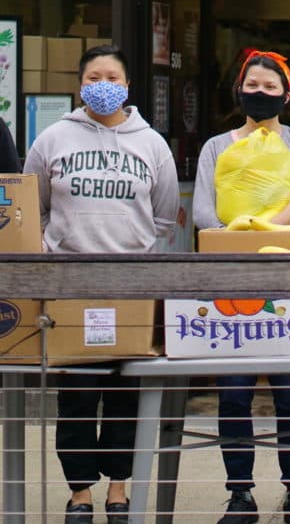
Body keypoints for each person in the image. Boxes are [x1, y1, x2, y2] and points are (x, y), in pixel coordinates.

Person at [22, 44, 179, 524]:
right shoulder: (52, 139)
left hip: (130, 285)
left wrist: (137, 253)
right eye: (93, 77)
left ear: (128, 86)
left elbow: (166, 216)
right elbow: (34, 205)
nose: (102, 85)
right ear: (80, 84)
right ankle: (79, 492)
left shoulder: (151, 143)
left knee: (125, 392)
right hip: (70, 283)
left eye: (111, 76)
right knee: (75, 392)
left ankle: (118, 487)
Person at [192, 50, 290, 524]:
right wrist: (258, 233)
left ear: (286, 95)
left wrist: (261, 229)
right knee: (233, 390)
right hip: (231, 281)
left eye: (271, 87)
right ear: (238, 89)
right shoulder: (215, 147)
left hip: (289, 282)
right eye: (253, 84)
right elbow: (205, 214)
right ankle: (240, 492)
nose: (261, 93)